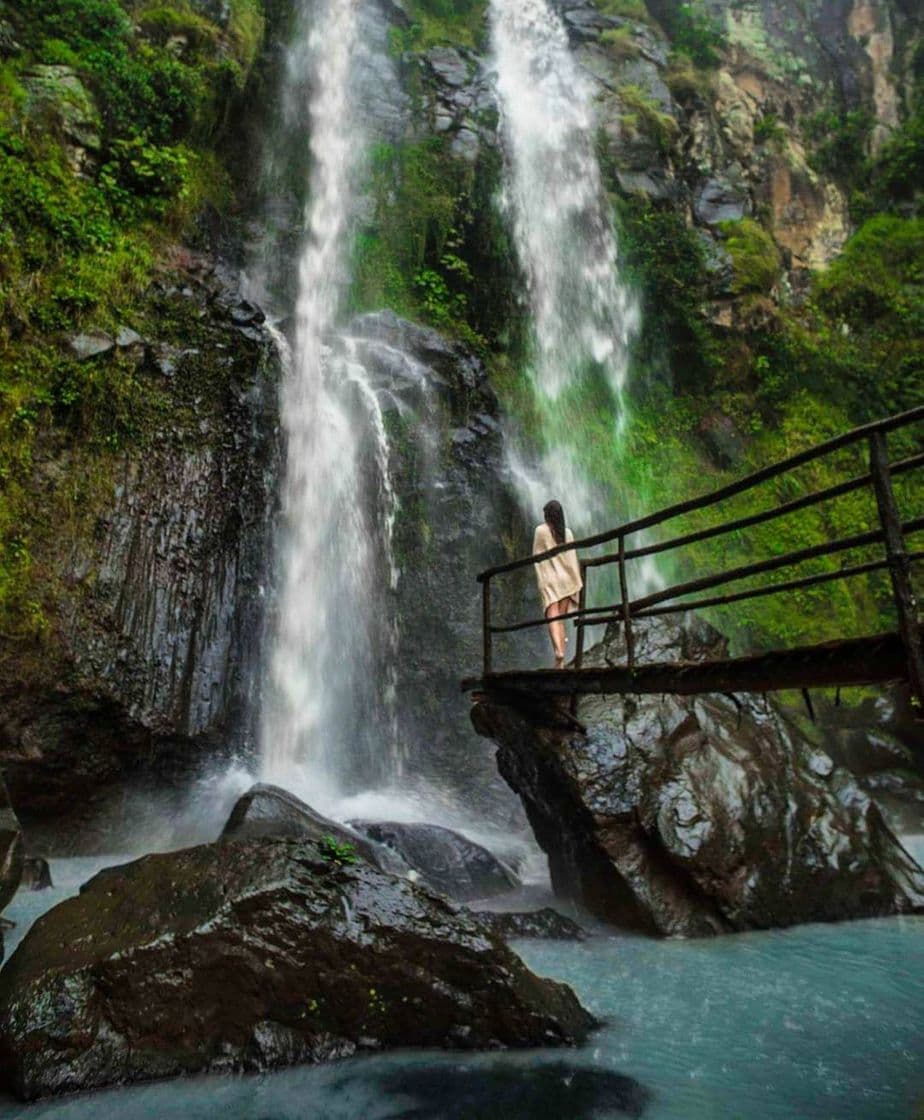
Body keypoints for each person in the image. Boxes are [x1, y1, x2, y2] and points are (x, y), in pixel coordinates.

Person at [532, 500, 583, 668]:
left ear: (547, 516)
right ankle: (560, 664)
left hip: (551, 580)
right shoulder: (568, 533)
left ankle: (559, 653)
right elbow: (571, 559)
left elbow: (536, 557)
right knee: (560, 619)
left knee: (552, 617)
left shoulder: (541, 530)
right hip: (567, 580)